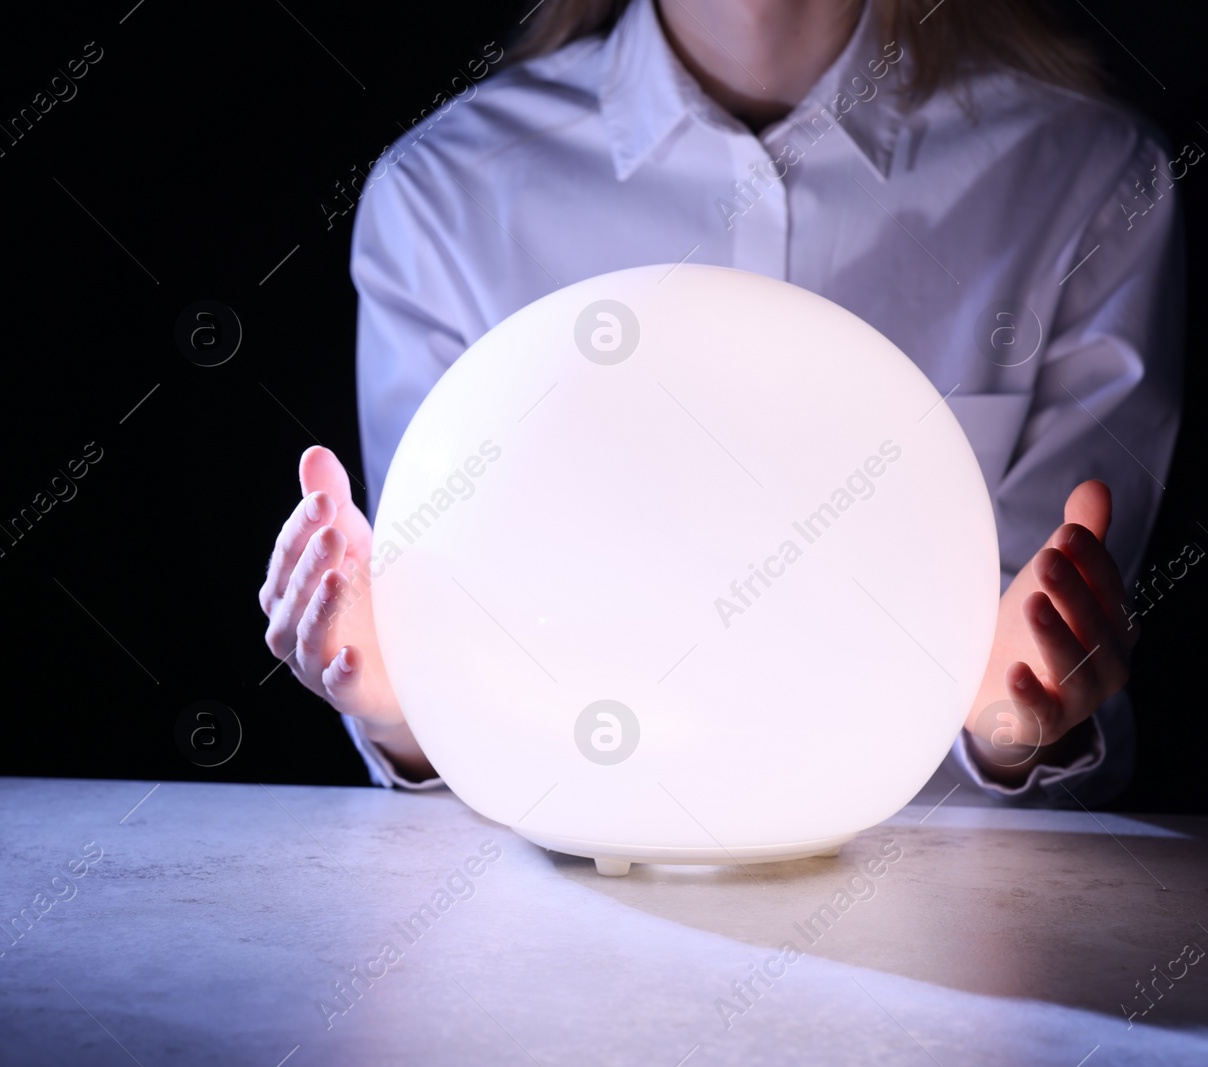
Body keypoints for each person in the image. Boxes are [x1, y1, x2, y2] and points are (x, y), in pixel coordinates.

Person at [259, 0, 1184, 805]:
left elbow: (1022, 688)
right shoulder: (446, 196)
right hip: (565, 908)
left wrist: (1019, 717)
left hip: (948, 936)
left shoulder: (1088, 182)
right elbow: (449, 668)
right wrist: (400, 701)